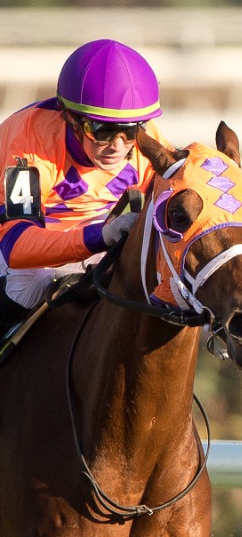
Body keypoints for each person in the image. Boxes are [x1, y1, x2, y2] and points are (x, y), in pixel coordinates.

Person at [0, 39, 170, 335]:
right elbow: (17, 245)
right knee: (29, 284)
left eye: (129, 131)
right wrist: (97, 238)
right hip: (16, 235)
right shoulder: (29, 144)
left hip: (88, 233)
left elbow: (183, 193)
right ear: (71, 118)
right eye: (101, 130)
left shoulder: (144, 138)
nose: (117, 145)